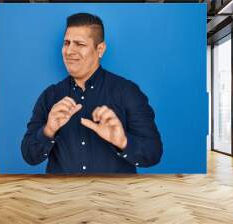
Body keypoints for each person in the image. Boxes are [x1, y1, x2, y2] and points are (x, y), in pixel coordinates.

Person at [21, 12, 162, 174]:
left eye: (79, 44)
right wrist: (48, 130)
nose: (69, 51)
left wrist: (123, 142)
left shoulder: (127, 91)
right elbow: (29, 156)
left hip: (114, 197)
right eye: (66, 43)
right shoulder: (50, 96)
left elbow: (153, 153)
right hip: (62, 197)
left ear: (100, 49)